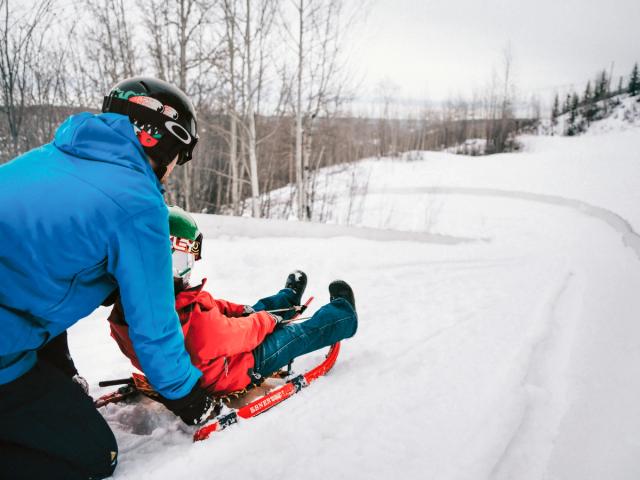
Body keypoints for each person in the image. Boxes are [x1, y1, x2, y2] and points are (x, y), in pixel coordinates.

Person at [0, 78, 217, 480]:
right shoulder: (138, 202)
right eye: (179, 157)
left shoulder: (46, 157)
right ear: (162, 142)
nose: (172, 172)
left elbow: (33, 267)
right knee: (94, 456)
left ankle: (50, 382)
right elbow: (152, 326)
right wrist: (189, 398)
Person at [107, 207, 358, 398]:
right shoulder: (186, 318)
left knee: (249, 311)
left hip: (210, 360)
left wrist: (244, 311)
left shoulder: (130, 309)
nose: (184, 272)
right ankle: (343, 316)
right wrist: (267, 321)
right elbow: (237, 336)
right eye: (181, 262)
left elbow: (210, 307)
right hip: (234, 369)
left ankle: (286, 300)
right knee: (295, 334)